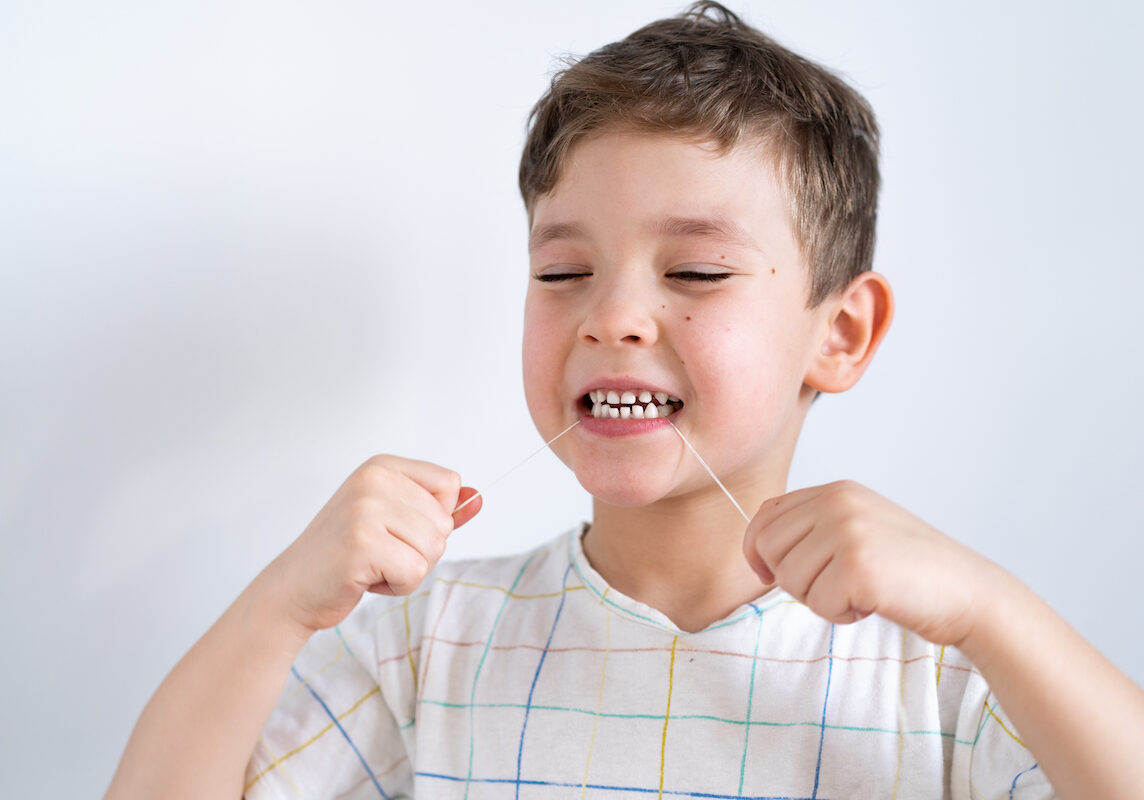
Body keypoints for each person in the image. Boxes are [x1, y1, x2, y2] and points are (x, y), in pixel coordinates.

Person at [105, 3, 1144, 798]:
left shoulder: (944, 677)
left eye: (694, 273)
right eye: (563, 274)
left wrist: (995, 611)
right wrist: (281, 599)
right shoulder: (427, 645)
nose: (611, 317)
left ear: (840, 333)